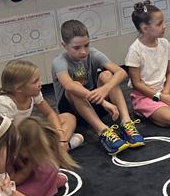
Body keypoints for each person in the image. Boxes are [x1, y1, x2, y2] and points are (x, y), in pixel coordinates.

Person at [52, 19, 145, 155]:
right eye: (77, 48)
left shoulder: (93, 53)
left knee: (107, 75)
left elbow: (121, 72)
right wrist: (104, 101)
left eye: (86, 45)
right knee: (75, 86)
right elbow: (69, 85)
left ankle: (126, 122)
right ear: (64, 45)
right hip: (72, 110)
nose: (83, 51)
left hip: (94, 102)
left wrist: (105, 89)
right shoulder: (59, 62)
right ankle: (103, 131)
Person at [126, 1, 170, 128]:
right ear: (145, 28)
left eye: (163, 22)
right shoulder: (135, 50)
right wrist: (160, 96)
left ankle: (163, 107)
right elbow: (137, 83)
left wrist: (166, 92)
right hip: (145, 96)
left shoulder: (164, 43)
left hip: (165, 91)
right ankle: (143, 112)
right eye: (159, 24)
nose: (164, 26)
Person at [0, 59, 81, 149]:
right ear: (18, 88)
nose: (41, 83)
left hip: (23, 135)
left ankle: (60, 147)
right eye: (35, 81)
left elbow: (49, 113)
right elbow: (6, 137)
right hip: (6, 141)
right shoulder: (3, 103)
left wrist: (60, 135)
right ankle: (59, 149)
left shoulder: (33, 94)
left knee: (69, 118)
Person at [12, 117, 77, 196]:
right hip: (24, 178)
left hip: (39, 179)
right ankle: (53, 185)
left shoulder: (45, 162)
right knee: (11, 195)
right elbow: (13, 181)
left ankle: (52, 185)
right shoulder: (11, 153)